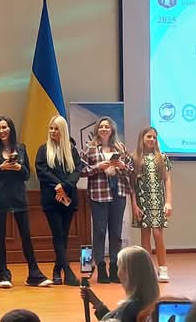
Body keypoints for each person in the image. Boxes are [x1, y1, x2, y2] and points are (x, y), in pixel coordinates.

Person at [0, 116, 52, 288]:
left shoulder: (21, 149)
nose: (2, 131)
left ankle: (34, 273)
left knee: (26, 235)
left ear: (11, 129)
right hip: (0, 198)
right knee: (0, 236)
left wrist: (19, 167)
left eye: (4, 127)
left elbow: (27, 174)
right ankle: (3, 274)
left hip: (19, 197)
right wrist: (1, 168)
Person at [80, 116, 134, 284]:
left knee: (116, 232)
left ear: (112, 130)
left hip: (118, 192)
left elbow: (131, 169)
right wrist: (98, 167)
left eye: (107, 127)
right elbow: (81, 170)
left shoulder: (120, 147)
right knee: (100, 231)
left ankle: (114, 267)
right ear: (97, 129)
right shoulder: (90, 149)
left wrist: (122, 166)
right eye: (101, 127)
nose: (104, 129)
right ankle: (101, 266)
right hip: (98, 193)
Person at [35, 115, 82, 286]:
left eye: (56, 129)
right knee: (57, 234)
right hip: (51, 199)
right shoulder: (43, 150)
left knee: (64, 234)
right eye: (51, 128)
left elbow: (77, 170)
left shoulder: (72, 150)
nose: (53, 131)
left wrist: (65, 186)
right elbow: (42, 171)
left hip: (68, 199)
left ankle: (57, 269)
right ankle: (67, 271)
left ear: (63, 131)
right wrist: (58, 185)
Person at [131, 127, 173, 283]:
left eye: (154, 137)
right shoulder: (135, 158)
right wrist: (134, 205)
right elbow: (132, 185)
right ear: (142, 138)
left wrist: (168, 202)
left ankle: (163, 267)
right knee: (145, 235)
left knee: (158, 234)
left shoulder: (162, 157)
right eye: (149, 137)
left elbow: (167, 180)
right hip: (142, 200)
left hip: (157, 200)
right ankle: (147, 269)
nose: (152, 140)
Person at [81, 246, 160, 322]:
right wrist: (97, 304)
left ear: (127, 274)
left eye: (119, 267)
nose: (118, 273)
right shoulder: (154, 306)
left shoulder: (129, 309)